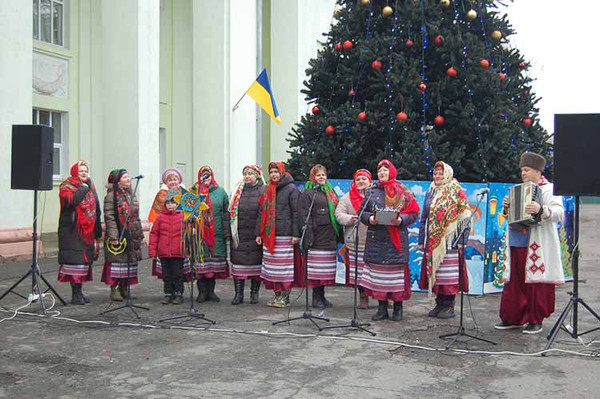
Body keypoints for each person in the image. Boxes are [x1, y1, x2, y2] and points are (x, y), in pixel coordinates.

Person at [495, 152, 565, 334]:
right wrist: (506, 207)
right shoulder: (519, 189)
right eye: (522, 170)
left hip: (537, 244)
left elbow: (559, 212)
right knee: (515, 282)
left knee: (535, 282)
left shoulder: (549, 189)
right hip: (517, 241)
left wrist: (541, 209)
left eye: (526, 170)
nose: (523, 174)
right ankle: (513, 317)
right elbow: (508, 216)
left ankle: (535, 319)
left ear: (537, 171)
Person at [360, 159, 420, 321]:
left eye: (385, 170)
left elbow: (414, 212)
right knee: (379, 276)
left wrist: (402, 220)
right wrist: (370, 218)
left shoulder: (403, 191)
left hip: (396, 240)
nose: (382, 173)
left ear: (392, 171)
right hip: (377, 239)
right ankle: (382, 309)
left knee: (395, 277)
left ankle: (398, 309)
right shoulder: (372, 191)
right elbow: (362, 213)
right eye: (379, 171)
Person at [418, 161, 471, 319]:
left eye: (441, 173)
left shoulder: (456, 190)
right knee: (437, 273)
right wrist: (422, 240)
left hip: (451, 241)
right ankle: (439, 303)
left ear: (447, 173)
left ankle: (449, 305)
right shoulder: (430, 191)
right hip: (433, 241)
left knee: (449, 275)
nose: (438, 176)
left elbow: (465, 217)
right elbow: (424, 218)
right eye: (435, 173)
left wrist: (463, 239)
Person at [57, 160, 102, 305]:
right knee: (75, 262)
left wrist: (97, 225)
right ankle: (75, 294)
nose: (84, 173)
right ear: (75, 172)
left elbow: (96, 205)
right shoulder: (67, 186)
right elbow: (71, 202)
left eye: (85, 170)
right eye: (81, 170)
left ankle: (79, 292)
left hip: (87, 230)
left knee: (83, 262)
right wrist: (83, 189)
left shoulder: (90, 185)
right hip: (72, 230)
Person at [256, 162, 300, 308]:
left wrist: (295, 234)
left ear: (282, 172)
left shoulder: (291, 188)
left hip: (285, 234)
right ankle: (277, 295)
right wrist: (259, 233)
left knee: (284, 267)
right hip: (269, 235)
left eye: (276, 171)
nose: (274, 174)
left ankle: (285, 296)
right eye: (272, 172)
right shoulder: (267, 189)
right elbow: (262, 213)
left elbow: (296, 212)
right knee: (272, 268)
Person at [297, 164, 340, 308]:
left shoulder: (330, 192)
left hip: (329, 236)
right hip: (316, 237)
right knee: (316, 270)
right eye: (318, 175)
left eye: (323, 175)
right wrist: (309, 237)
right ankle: (316, 297)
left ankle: (322, 296)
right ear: (313, 177)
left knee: (325, 270)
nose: (321, 177)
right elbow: (304, 216)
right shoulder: (308, 193)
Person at [101, 169, 144, 301]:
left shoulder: (131, 195)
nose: (129, 179)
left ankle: (124, 288)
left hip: (131, 233)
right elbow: (110, 217)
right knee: (116, 262)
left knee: (128, 262)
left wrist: (139, 232)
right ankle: (114, 289)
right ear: (117, 180)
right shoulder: (111, 196)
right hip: (118, 234)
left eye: (128, 177)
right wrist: (114, 236)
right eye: (125, 177)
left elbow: (135, 216)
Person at [192, 166, 231, 303]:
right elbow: (187, 212)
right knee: (201, 264)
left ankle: (211, 292)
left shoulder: (220, 192)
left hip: (216, 233)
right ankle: (202, 292)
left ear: (212, 176)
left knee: (213, 266)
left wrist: (227, 232)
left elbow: (227, 213)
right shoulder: (194, 191)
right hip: (199, 234)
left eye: (208, 176)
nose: (206, 179)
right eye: (203, 176)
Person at [335, 169, 372, 309]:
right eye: (358, 179)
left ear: (370, 181)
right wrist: (350, 219)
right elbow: (338, 214)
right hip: (355, 242)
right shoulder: (346, 198)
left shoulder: (376, 196)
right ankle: (363, 296)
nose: (361, 182)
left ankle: (384, 298)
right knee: (359, 273)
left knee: (376, 271)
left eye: (364, 179)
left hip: (373, 242)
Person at [229, 165, 265, 305]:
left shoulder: (263, 190)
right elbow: (229, 212)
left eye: (250, 174)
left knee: (256, 264)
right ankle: (238, 294)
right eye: (245, 174)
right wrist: (229, 232)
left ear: (257, 175)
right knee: (238, 264)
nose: (247, 176)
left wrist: (259, 233)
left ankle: (254, 294)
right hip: (239, 233)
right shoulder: (236, 190)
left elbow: (264, 214)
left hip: (255, 234)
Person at [148, 168, 189, 281]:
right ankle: (169, 291)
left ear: (179, 180)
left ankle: (178, 291)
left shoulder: (186, 193)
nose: (173, 182)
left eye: (175, 179)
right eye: (170, 180)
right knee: (167, 271)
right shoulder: (161, 195)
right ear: (166, 182)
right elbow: (155, 214)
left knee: (178, 270)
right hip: (165, 236)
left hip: (180, 237)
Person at [148, 189, 186, 305]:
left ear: (178, 204)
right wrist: (152, 251)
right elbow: (154, 234)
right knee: (167, 274)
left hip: (178, 252)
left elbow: (188, 233)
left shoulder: (183, 217)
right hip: (164, 252)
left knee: (178, 274)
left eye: (173, 203)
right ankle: (168, 293)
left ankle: (178, 293)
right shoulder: (160, 218)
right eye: (168, 203)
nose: (171, 205)